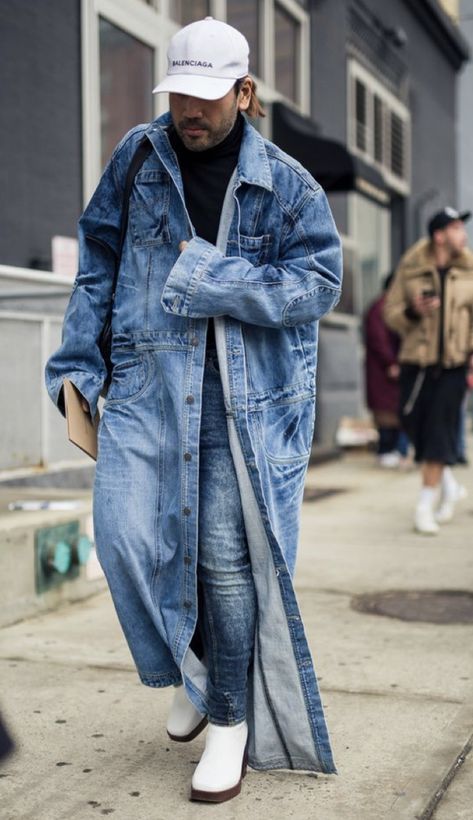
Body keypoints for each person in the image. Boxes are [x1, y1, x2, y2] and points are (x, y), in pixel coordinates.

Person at [45, 17, 342, 803]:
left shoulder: (288, 183)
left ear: (245, 93)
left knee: (219, 557)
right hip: (146, 382)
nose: (190, 111)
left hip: (240, 395)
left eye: (207, 96)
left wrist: (213, 280)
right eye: (179, 93)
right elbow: (99, 256)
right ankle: (197, 669)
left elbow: (317, 285)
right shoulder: (137, 158)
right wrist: (78, 360)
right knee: (125, 539)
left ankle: (232, 722)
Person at [384, 207, 473, 535]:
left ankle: (425, 504)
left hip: (453, 366)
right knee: (415, 429)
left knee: (437, 434)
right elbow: (389, 313)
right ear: (439, 236)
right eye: (455, 228)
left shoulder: (469, 270)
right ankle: (448, 485)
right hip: (415, 366)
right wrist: (412, 311)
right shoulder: (411, 267)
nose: (462, 234)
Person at [364, 273, 409, 468]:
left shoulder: (392, 308)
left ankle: (395, 452)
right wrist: (391, 363)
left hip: (393, 370)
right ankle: (385, 452)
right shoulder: (379, 308)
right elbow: (378, 339)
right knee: (385, 415)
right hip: (383, 371)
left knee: (395, 413)